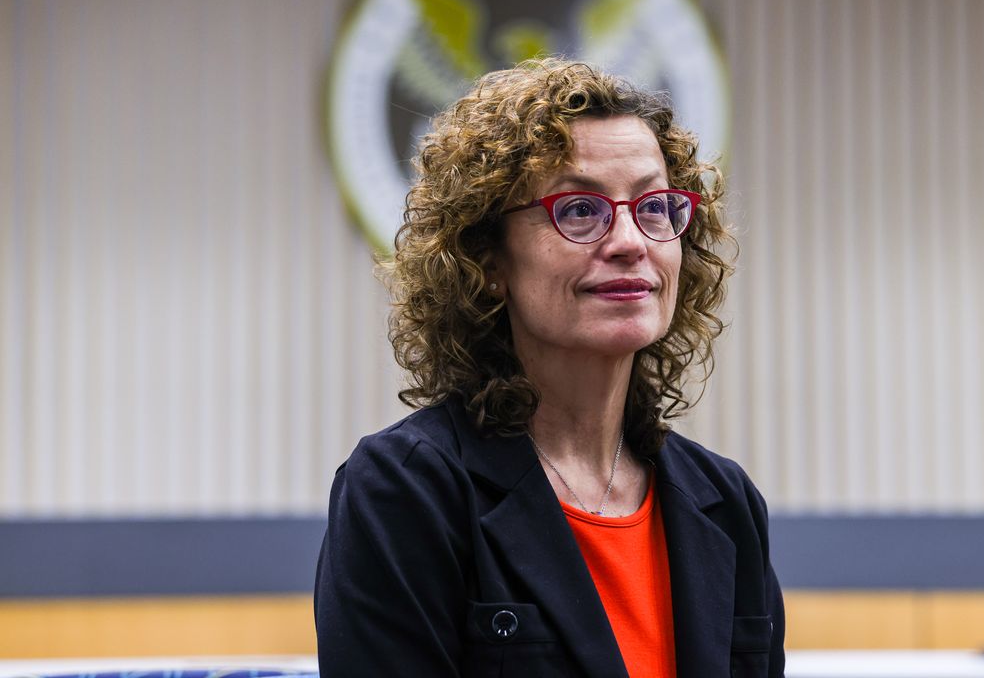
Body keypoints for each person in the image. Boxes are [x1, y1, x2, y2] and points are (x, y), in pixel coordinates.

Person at [315, 58, 785, 677]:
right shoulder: (406, 491)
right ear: (485, 259)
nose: (630, 242)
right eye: (581, 209)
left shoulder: (725, 502)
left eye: (654, 206)